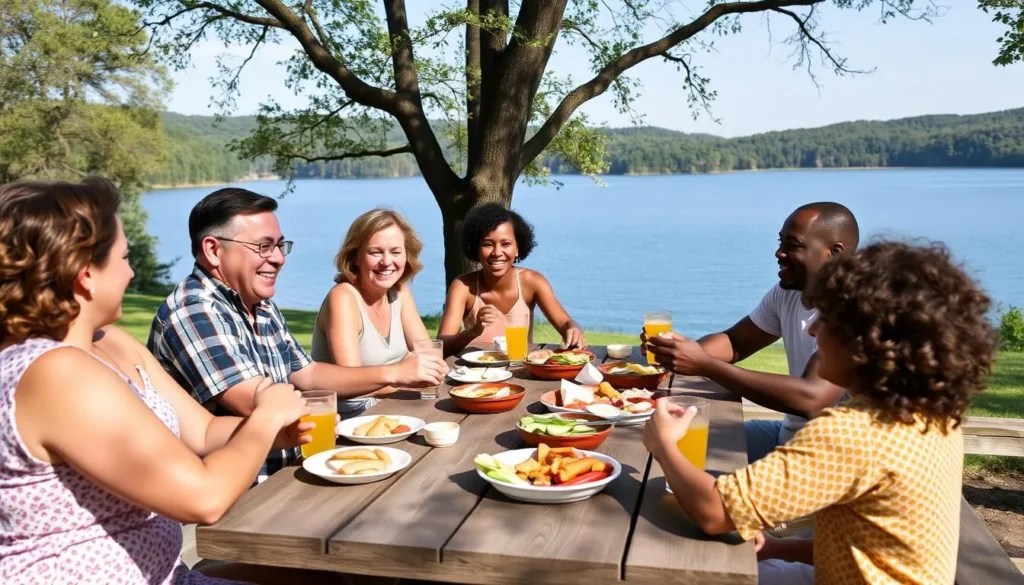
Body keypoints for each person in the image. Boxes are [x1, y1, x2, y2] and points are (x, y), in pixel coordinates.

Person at [0, 177, 342, 584]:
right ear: (85, 274)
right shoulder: (55, 373)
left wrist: (279, 432)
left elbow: (204, 431)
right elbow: (204, 499)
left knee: (331, 575)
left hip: (168, 574)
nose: (131, 272)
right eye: (124, 257)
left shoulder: (111, 342)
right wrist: (266, 418)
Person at [642, 241, 995, 585]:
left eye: (826, 320)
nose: (812, 330)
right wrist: (779, 549)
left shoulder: (853, 432)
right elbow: (881, 545)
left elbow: (715, 512)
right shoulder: (933, 418)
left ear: (867, 340)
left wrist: (665, 446)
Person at [147, 189, 446, 480]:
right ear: (214, 250)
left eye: (280, 246)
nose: (279, 258)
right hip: (245, 489)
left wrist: (395, 373)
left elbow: (310, 374)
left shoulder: (261, 307)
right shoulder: (195, 312)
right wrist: (392, 375)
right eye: (263, 247)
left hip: (292, 467)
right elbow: (257, 404)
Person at [645, 202, 859, 462]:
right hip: (788, 436)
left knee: (684, 456)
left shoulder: (857, 310)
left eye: (793, 245)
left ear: (834, 253)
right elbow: (736, 342)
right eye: (780, 242)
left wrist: (705, 365)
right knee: (671, 438)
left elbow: (812, 399)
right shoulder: (787, 293)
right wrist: (676, 350)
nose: (779, 252)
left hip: (829, 458)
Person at [311, 209, 438, 418]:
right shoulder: (343, 298)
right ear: (355, 257)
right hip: (351, 419)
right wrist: (404, 374)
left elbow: (428, 356)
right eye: (375, 252)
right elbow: (350, 383)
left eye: (396, 252)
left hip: (395, 407)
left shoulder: (400, 293)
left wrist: (420, 372)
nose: (387, 261)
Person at [437, 202, 586, 356]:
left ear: (517, 248)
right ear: (476, 249)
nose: (497, 252)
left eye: (506, 244)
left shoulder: (533, 282)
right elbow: (442, 346)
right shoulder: (462, 287)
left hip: (520, 369)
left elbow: (565, 323)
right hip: (474, 370)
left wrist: (574, 329)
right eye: (488, 244)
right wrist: (473, 331)